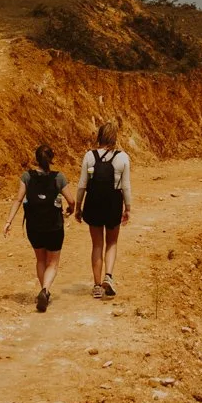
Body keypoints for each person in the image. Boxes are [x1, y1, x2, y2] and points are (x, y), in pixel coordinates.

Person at [3, 144, 75, 312]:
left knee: (41, 260)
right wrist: (70, 210)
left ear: (36, 158)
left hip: (34, 227)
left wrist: (8, 221)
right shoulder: (59, 178)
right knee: (53, 263)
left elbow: (18, 200)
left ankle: (43, 291)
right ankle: (45, 290)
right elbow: (71, 201)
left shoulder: (27, 176)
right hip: (54, 226)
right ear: (51, 159)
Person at [74, 121, 132, 299]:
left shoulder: (89, 156)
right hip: (114, 202)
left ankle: (97, 285)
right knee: (112, 242)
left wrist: (78, 207)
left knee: (97, 244)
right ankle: (109, 275)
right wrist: (128, 208)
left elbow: (82, 185)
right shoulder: (123, 158)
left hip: (94, 202)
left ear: (99, 136)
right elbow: (126, 186)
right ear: (115, 137)